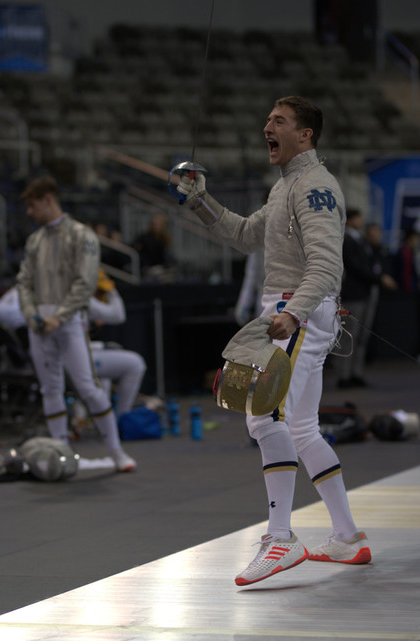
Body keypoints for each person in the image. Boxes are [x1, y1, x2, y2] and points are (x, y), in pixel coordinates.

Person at [174, 96, 369, 585]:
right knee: (302, 428)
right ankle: (347, 537)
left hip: (296, 310)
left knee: (262, 414)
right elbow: (243, 234)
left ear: (305, 134)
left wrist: (294, 313)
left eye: (279, 121)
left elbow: (327, 263)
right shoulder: (286, 185)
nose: (267, 126)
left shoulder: (316, 186)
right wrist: (200, 200)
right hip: (291, 309)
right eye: (267, 119)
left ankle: (280, 536)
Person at [15, 176, 136, 472]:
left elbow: (84, 283)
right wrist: (32, 316)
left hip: (69, 322)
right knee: (50, 389)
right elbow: (23, 282)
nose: (29, 213)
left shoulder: (82, 236)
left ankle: (117, 452)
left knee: (88, 386)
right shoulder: (35, 240)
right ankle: (62, 455)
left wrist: (60, 316)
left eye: (32, 206)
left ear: (48, 200)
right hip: (40, 324)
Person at [0, 270, 147, 415]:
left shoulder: (18, 296)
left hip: (35, 362)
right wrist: (111, 290)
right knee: (135, 364)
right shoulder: (71, 295)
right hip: (62, 365)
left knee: (102, 370)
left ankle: (100, 420)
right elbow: (118, 315)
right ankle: (121, 420)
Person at [335, 211, 397, 388]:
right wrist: (378, 278)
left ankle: (356, 372)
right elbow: (355, 267)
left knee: (361, 336)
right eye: (359, 218)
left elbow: (371, 262)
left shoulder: (362, 241)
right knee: (349, 336)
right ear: (352, 219)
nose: (362, 221)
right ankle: (344, 375)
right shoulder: (346, 240)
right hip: (353, 295)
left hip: (366, 293)